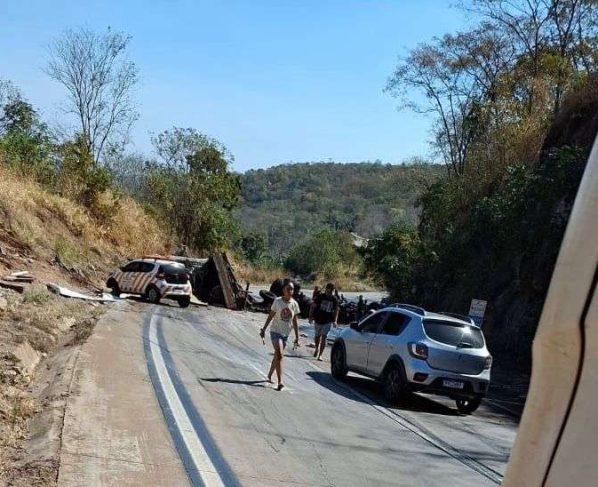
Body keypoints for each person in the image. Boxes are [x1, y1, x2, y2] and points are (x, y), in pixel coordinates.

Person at [260, 279, 300, 391]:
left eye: (292, 289)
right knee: (280, 354)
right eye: (288, 288)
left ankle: (269, 375)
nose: (290, 290)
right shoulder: (277, 301)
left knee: (277, 355)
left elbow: (295, 321)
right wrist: (264, 329)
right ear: (283, 290)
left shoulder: (294, 304)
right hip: (275, 332)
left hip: (285, 334)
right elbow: (271, 315)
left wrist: (297, 337)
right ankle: (280, 381)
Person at [309, 282, 339, 361]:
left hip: (327, 321)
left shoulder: (334, 299)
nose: (329, 294)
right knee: (317, 337)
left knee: (324, 337)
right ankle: (316, 348)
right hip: (318, 319)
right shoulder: (320, 297)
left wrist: (335, 320)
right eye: (328, 291)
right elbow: (313, 306)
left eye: (331, 292)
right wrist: (310, 317)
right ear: (326, 290)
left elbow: (336, 310)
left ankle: (320, 355)